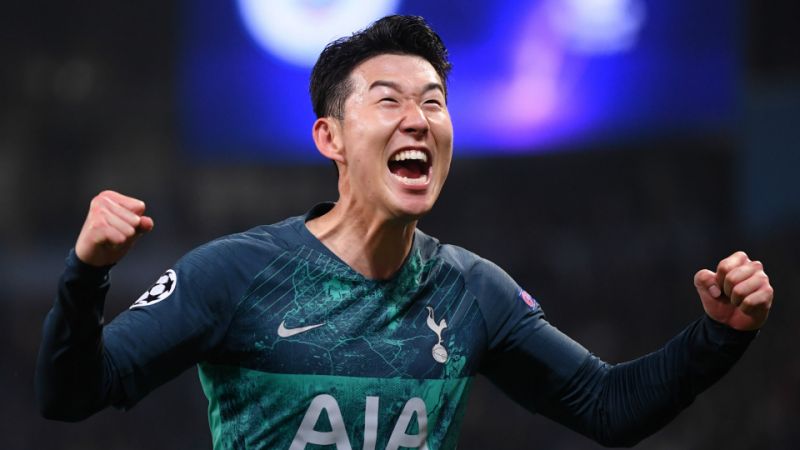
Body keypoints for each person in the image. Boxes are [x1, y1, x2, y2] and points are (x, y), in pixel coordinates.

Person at [36, 15, 773, 450]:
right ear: (330, 137)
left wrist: (718, 335)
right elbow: (70, 394)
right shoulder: (235, 275)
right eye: (387, 99)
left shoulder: (472, 292)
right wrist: (85, 273)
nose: (418, 118)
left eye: (435, 101)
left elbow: (612, 408)